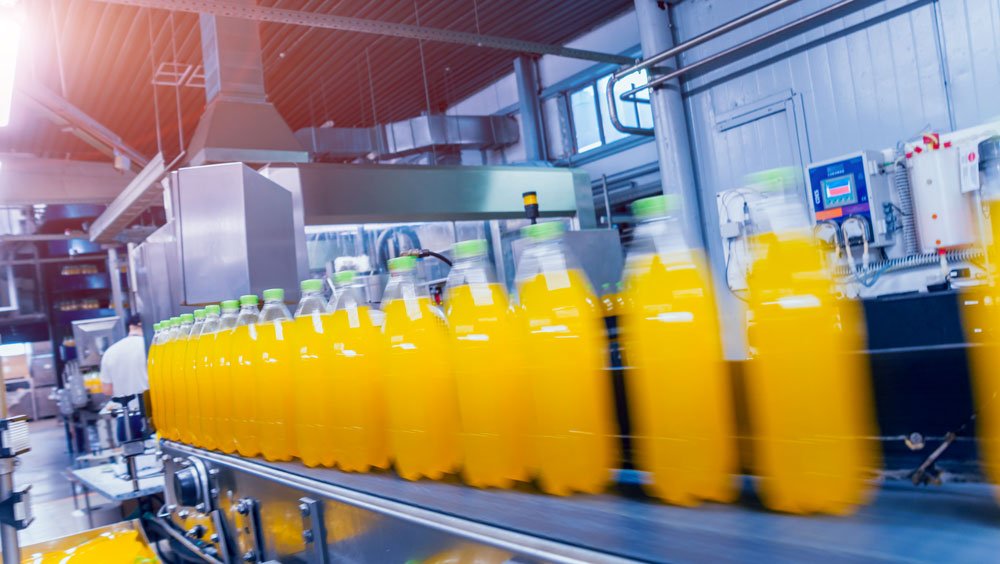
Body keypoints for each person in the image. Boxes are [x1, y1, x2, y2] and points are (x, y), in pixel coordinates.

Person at [100, 315, 149, 401]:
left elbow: (107, 390)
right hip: (151, 405)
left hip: (125, 409)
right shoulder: (150, 347)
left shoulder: (109, 352)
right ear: (142, 325)